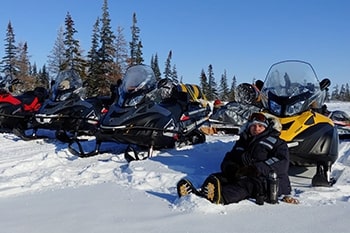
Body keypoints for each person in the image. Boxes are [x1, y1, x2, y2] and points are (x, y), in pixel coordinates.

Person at [177, 112, 295, 205]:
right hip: (245, 174)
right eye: (253, 126)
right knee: (217, 178)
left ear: (266, 127)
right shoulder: (243, 142)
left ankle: (221, 198)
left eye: (260, 126)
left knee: (244, 185)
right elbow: (230, 157)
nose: (256, 128)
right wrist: (230, 168)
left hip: (271, 182)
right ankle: (199, 195)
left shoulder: (277, 142)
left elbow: (282, 162)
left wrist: (256, 169)